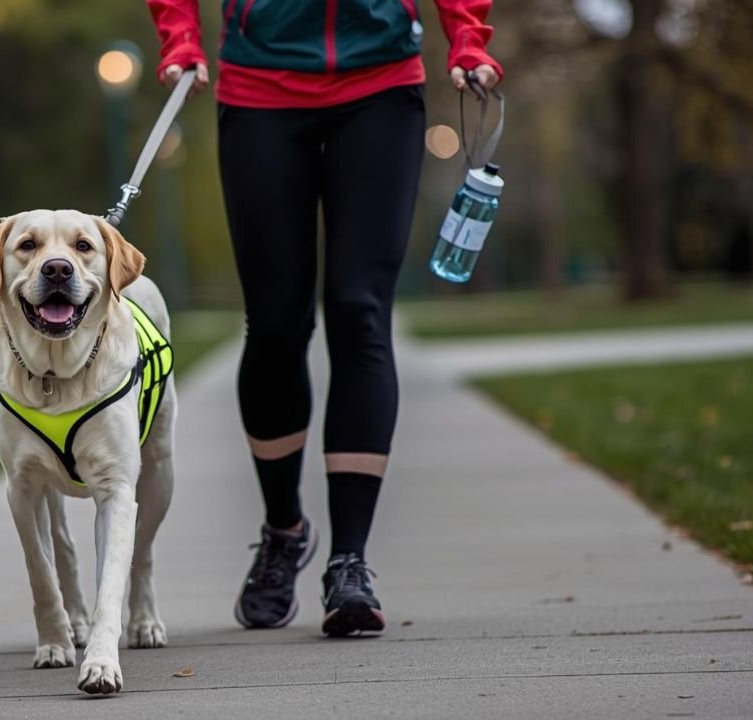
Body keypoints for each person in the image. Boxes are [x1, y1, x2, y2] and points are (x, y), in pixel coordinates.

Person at [145, 0, 502, 636]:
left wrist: (467, 38)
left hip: (381, 85)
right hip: (260, 86)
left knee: (359, 311)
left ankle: (350, 561)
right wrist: (180, 38)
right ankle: (284, 529)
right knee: (277, 325)